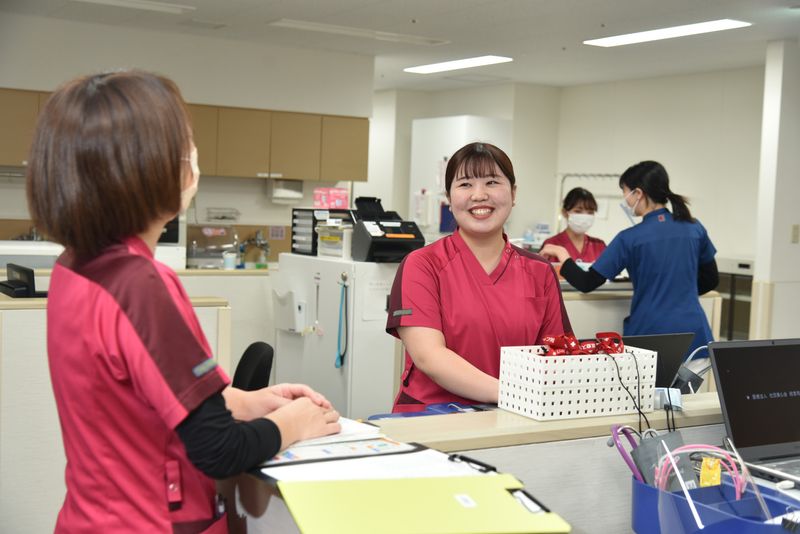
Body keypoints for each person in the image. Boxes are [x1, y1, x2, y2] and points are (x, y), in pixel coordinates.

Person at [26, 70, 341, 533]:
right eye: (184, 144)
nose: (193, 156)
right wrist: (295, 423)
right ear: (143, 167)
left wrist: (249, 402)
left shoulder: (75, 266)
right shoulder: (139, 286)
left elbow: (133, 396)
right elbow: (219, 450)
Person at [386, 142, 572, 412]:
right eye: (465, 184)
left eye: (492, 182)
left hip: (517, 418)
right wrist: (515, 393)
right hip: (433, 419)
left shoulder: (539, 271)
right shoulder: (422, 265)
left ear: (513, 193)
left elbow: (557, 355)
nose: (479, 195)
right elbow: (429, 356)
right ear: (449, 198)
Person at [540, 160, 719, 357]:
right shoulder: (694, 228)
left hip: (651, 335)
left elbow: (586, 282)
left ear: (638, 193)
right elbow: (711, 279)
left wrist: (563, 255)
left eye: (625, 193)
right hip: (696, 335)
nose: (625, 201)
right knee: (694, 379)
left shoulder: (630, 238)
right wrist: (678, 294)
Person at [539, 187, 606, 264]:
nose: (584, 217)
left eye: (590, 212)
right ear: (564, 212)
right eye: (578, 211)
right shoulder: (551, 245)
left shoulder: (599, 246)